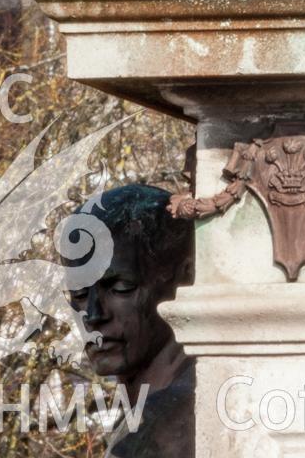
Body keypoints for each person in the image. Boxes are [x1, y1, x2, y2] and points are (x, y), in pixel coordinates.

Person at [67, 181, 196, 458]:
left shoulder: (168, 430)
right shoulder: (141, 414)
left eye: (120, 287)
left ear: (184, 279)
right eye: (78, 293)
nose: (93, 315)